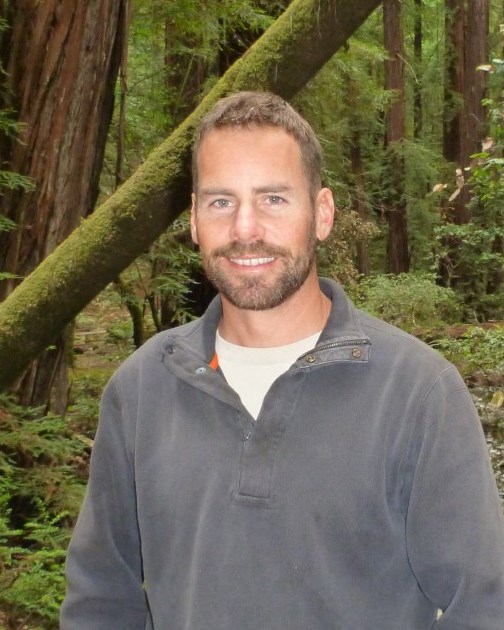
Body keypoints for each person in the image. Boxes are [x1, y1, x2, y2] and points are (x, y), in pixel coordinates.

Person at [61, 91, 504, 629]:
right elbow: (101, 599)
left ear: (321, 214)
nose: (245, 228)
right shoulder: (142, 389)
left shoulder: (418, 392)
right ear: (195, 220)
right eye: (221, 201)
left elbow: (482, 605)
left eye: (273, 199)